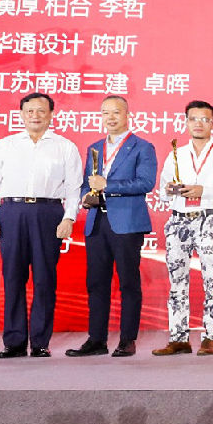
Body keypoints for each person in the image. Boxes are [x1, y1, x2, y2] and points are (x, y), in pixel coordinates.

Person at [0, 92, 84, 357]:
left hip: (48, 213)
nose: (35, 116)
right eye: (29, 111)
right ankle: (14, 342)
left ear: (51, 114)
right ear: (21, 115)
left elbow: (74, 188)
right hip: (12, 212)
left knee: (45, 279)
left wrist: (69, 217)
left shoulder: (65, 147)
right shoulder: (6, 145)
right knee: (13, 277)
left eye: (40, 111)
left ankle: (40, 342)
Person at [66, 94, 158, 358]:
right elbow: (87, 182)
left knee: (128, 282)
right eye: (105, 113)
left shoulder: (142, 147)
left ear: (128, 115)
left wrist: (108, 186)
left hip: (127, 223)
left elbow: (145, 183)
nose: (110, 117)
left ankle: (127, 340)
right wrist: (86, 196)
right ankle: (96, 340)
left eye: (116, 112)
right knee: (96, 282)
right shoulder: (95, 147)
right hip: (97, 221)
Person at [151, 100, 213, 356]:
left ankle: (209, 337)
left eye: (205, 119)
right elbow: (162, 192)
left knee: (211, 279)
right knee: (176, 281)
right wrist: (170, 190)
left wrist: (205, 191)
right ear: (186, 122)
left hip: (208, 220)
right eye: (193, 119)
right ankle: (178, 338)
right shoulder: (176, 154)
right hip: (178, 220)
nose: (199, 124)